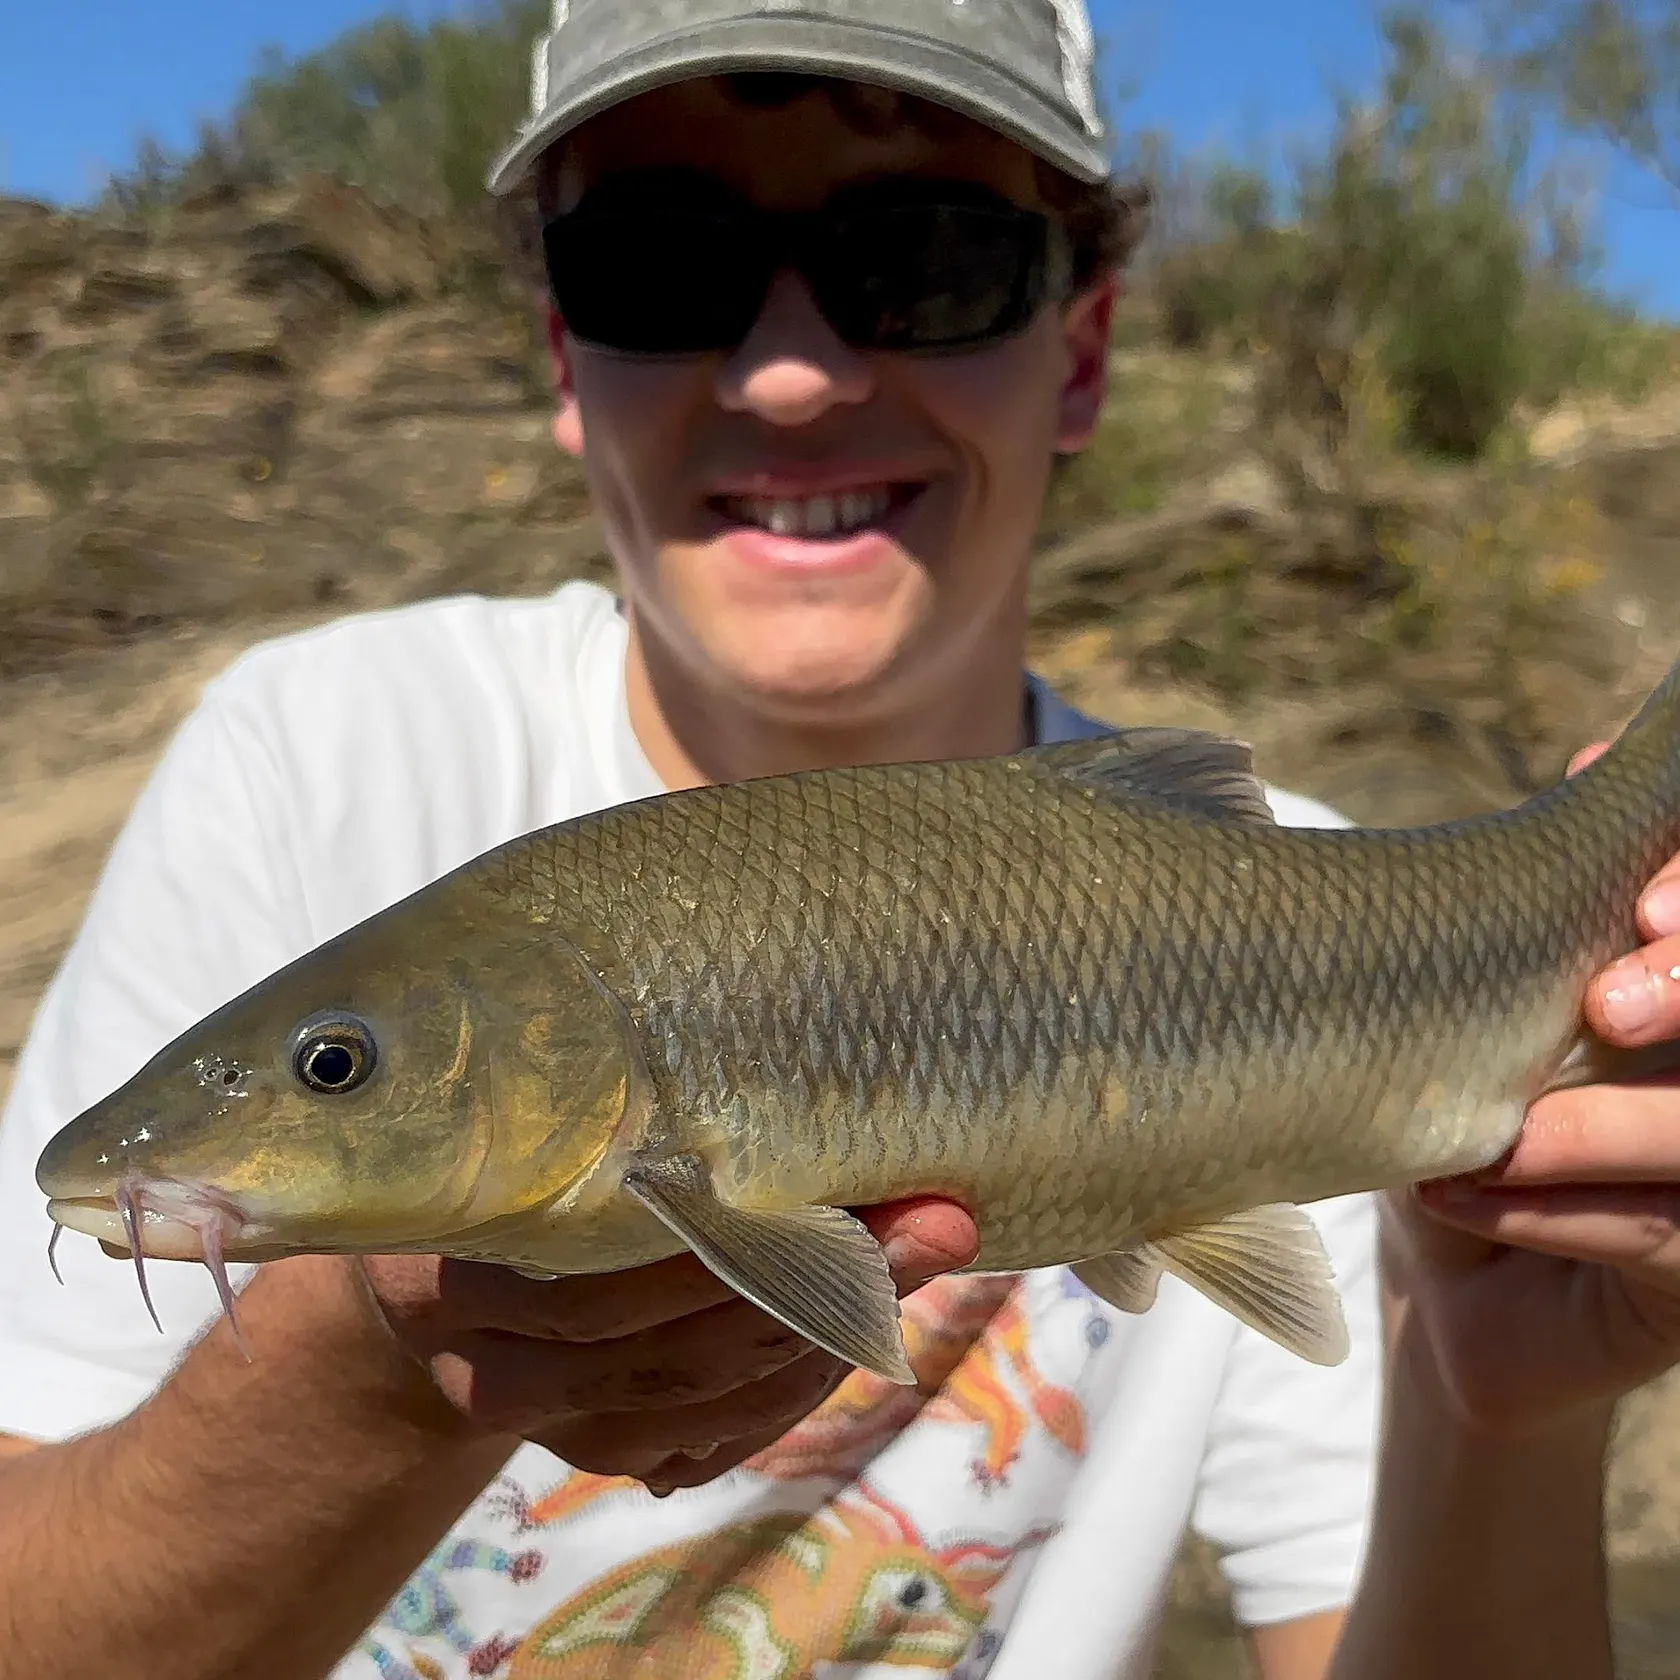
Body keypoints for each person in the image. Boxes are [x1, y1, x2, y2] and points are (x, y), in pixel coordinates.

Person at [0, 2, 1676, 1676]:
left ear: (1082, 347)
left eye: (928, 260)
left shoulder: (1314, 912)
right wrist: (368, 1374)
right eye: (660, 263)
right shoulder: (318, 759)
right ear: (559, 352)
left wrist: (1503, 1411)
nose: (791, 372)